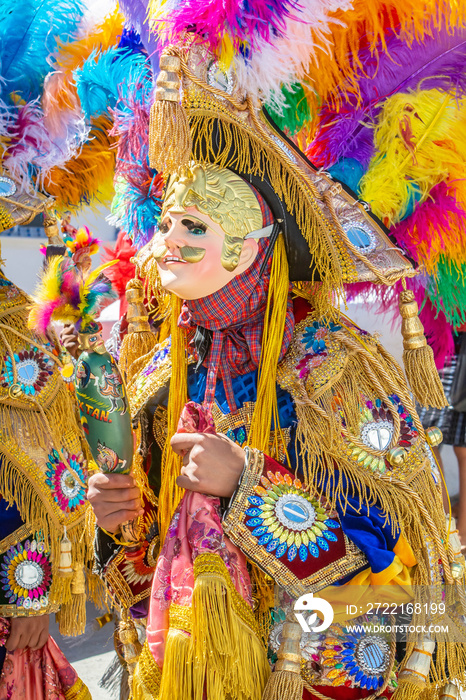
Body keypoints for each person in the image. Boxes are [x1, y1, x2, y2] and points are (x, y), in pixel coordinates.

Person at [84, 43, 466, 700]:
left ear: (253, 247)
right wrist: (120, 522)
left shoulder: (336, 372)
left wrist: (254, 492)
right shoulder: (161, 374)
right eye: (168, 220)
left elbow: (414, 593)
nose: (167, 241)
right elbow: (147, 569)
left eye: (194, 226)